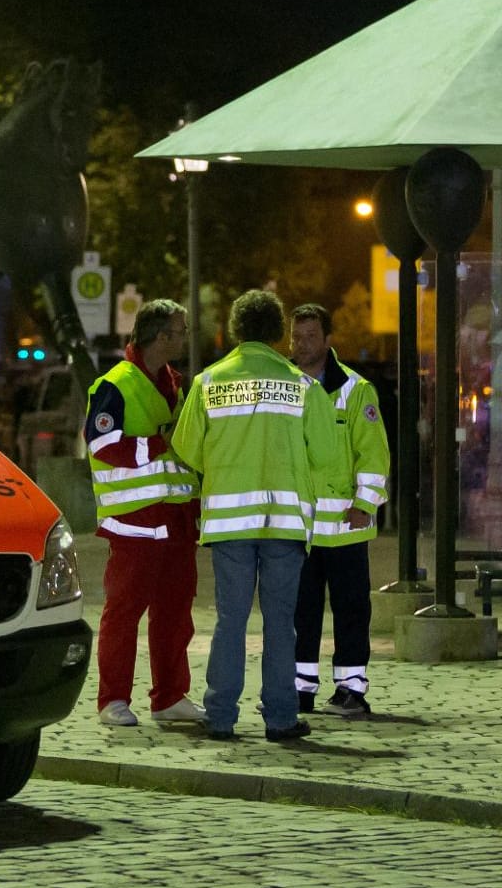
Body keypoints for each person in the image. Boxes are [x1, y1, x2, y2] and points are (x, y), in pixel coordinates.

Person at [172, 290, 338, 742]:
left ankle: (221, 716)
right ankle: (281, 717)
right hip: (284, 524)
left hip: (229, 525)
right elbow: (326, 455)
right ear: (279, 334)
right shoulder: (303, 386)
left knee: (231, 620)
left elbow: (186, 448)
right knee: (281, 622)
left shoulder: (208, 383)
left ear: (237, 330)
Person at [84, 299, 203, 727]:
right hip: (133, 521)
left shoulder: (177, 383)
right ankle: (112, 700)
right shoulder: (114, 385)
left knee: (175, 614)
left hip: (175, 520)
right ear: (160, 337)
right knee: (124, 613)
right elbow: (101, 445)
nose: (185, 337)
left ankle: (170, 697)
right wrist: (159, 441)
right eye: (180, 330)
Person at [287, 303, 390, 717]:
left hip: (346, 525)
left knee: (350, 610)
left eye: (310, 336)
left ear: (329, 341)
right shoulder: (285, 386)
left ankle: (351, 690)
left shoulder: (355, 389)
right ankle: (300, 690)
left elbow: (373, 455)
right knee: (300, 613)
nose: (301, 344)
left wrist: (365, 504)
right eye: (296, 337)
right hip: (300, 527)